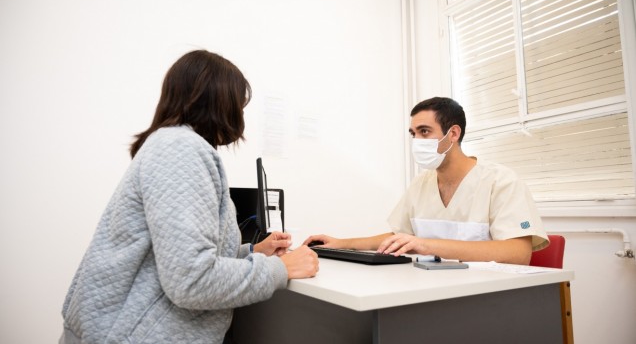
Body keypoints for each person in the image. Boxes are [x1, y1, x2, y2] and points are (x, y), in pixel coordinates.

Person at [59, 50, 319, 344]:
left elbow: (174, 259)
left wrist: (251, 253)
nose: (240, 114)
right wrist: (280, 269)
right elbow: (192, 281)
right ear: (219, 100)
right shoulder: (180, 149)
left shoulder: (172, 145)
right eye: (239, 104)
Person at [304, 97, 548, 265]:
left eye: (424, 132)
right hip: (433, 292)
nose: (417, 141)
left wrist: (425, 245)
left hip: (488, 297)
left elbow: (518, 253)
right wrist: (340, 243)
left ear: (453, 134)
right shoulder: (422, 182)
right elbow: (398, 237)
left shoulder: (501, 181)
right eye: (413, 134)